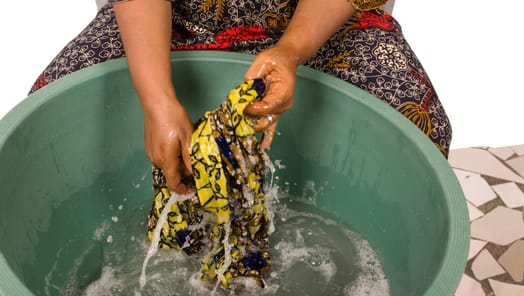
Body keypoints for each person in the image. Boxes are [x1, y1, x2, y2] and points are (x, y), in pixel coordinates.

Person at [30, 0, 451, 195]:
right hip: (175, 19)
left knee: (412, 118)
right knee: (45, 113)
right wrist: (156, 97)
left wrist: (291, 50)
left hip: (313, 21)